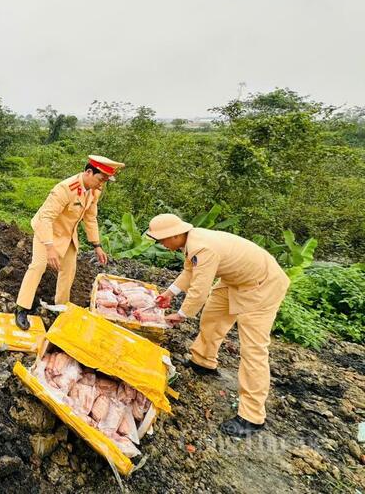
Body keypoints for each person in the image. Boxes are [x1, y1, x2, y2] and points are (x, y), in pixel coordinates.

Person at [146, 213, 290, 438]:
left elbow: (199, 290)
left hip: (262, 286)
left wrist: (182, 314)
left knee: (253, 350)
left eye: (161, 240)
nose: (161, 245)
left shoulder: (202, 248)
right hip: (236, 280)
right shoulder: (190, 243)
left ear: (174, 235)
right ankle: (203, 360)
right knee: (212, 317)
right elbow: (189, 272)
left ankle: (252, 416)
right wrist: (169, 294)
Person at [15, 155, 124, 330]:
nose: (102, 184)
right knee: (38, 266)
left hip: (68, 235)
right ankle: (22, 308)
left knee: (69, 271)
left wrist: (97, 245)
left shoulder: (94, 191)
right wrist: (50, 248)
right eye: (100, 179)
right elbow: (45, 218)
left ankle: (60, 308)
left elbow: (90, 218)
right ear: (89, 172)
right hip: (47, 233)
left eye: (105, 180)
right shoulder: (65, 189)